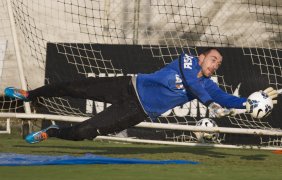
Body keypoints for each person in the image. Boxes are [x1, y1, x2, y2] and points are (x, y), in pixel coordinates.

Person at [4, 48, 278, 144]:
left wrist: (248, 102)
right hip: (127, 86)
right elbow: (194, 89)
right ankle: (30, 94)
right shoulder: (187, 61)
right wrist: (209, 103)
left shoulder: (209, 86)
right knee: (75, 87)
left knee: (84, 132)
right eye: (213, 59)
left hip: (136, 111)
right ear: (202, 56)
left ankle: (53, 132)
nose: (215, 65)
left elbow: (227, 99)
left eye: (218, 64)